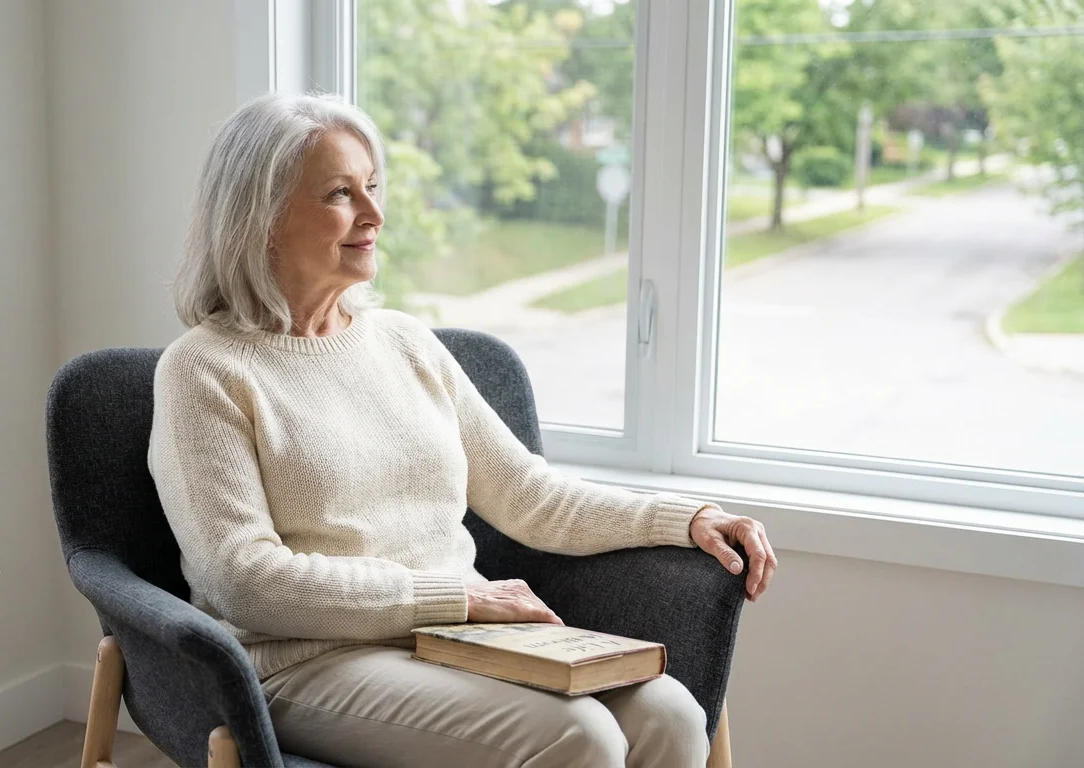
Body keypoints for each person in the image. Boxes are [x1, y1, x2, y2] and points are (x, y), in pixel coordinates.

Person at [149, 92, 776, 768]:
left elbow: (530, 495)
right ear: (263, 217)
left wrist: (687, 519)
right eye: (340, 193)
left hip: (452, 640)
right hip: (304, 665)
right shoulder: (203, 371)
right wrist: (460, 600)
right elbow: (246, 579)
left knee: (672, 714)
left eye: (373, 186)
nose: (374, 214)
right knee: (580, 737)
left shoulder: (406, 343)